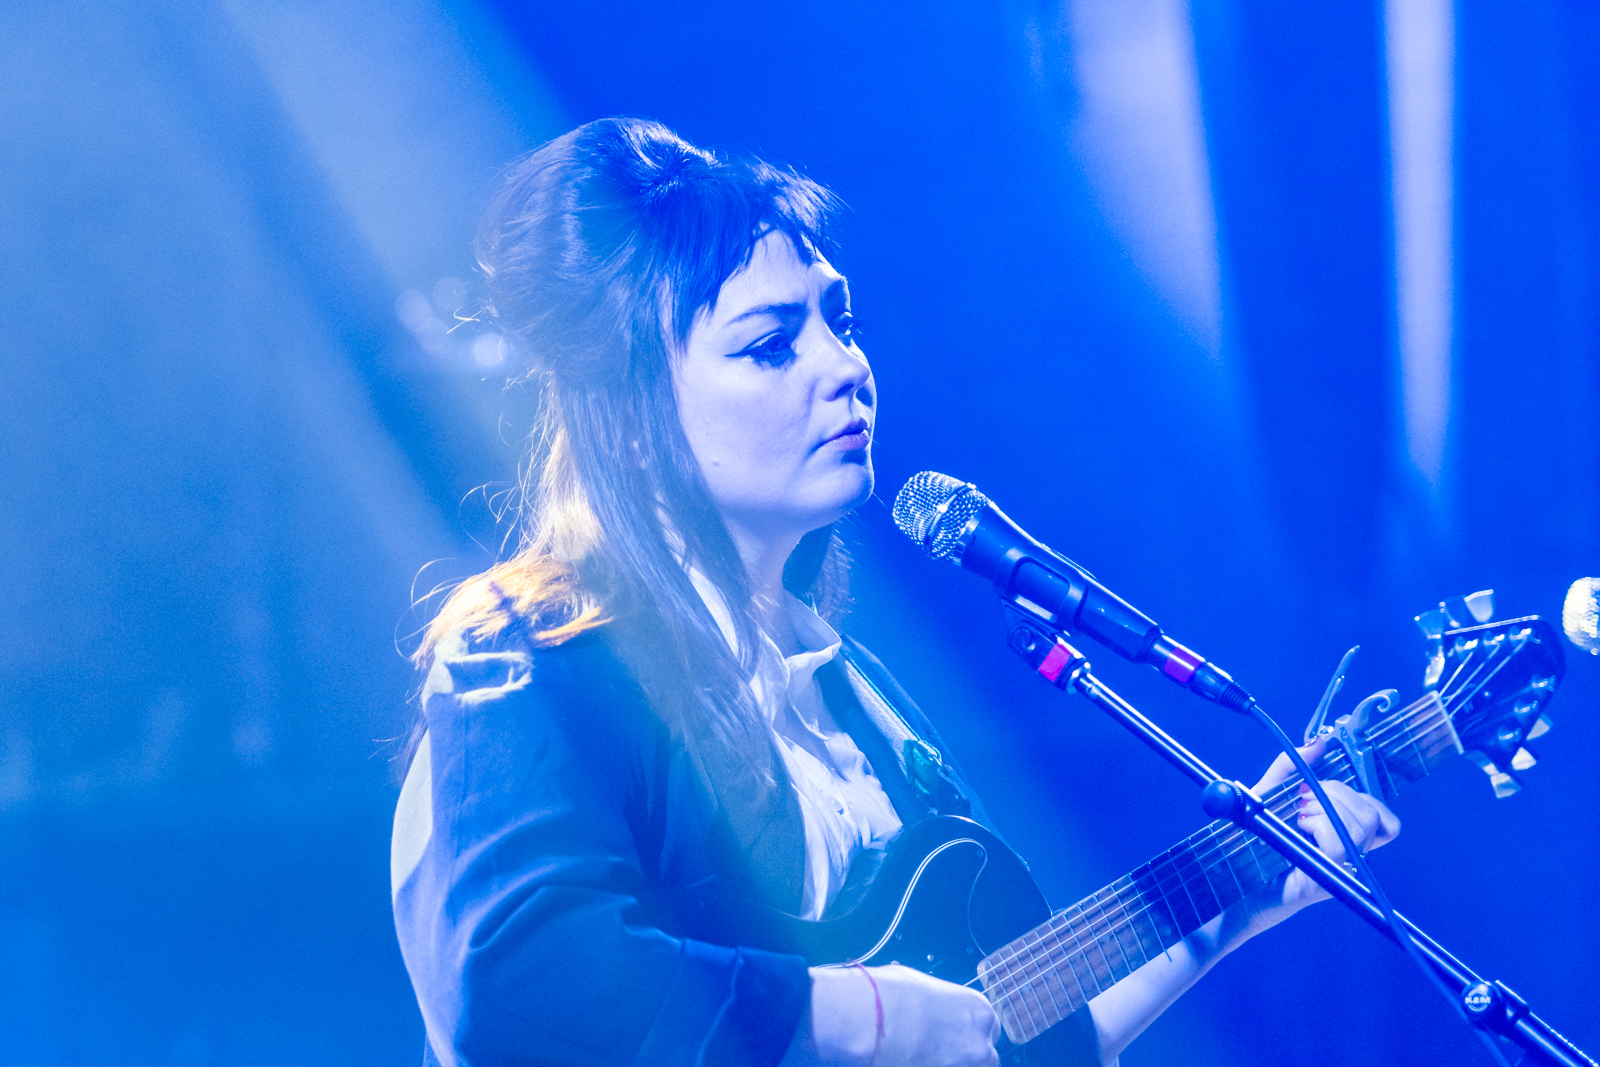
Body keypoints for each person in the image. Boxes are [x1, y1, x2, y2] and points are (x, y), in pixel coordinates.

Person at [389, 116, 1400, 1067]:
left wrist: (1249, 886)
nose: (845, 367)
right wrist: (867, 1012)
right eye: (768, 343)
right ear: (634, 406)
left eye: (840, 320)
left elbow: (998, 1037)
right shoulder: (537, 653)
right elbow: (514, 969)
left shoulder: (858, 701)